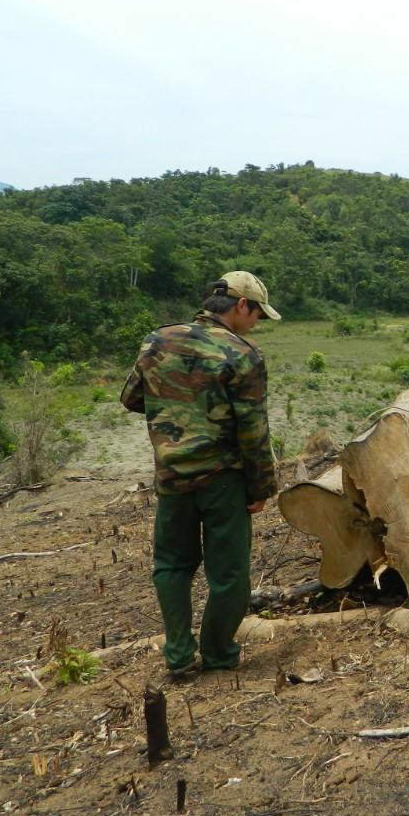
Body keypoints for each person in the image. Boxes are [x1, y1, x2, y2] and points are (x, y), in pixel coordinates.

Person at [121, 271, 281, 678]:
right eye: (258, 314)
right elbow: (253, 430)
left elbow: (132, 398)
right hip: (222, 479)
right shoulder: (243, 354)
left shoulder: (158, 340)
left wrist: (179, 406)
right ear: (242, 305)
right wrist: (261, 486)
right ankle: (218, 653)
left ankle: (177, 654)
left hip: (172, 476)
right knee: (228, 573)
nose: (257, 323)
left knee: (172, 564)